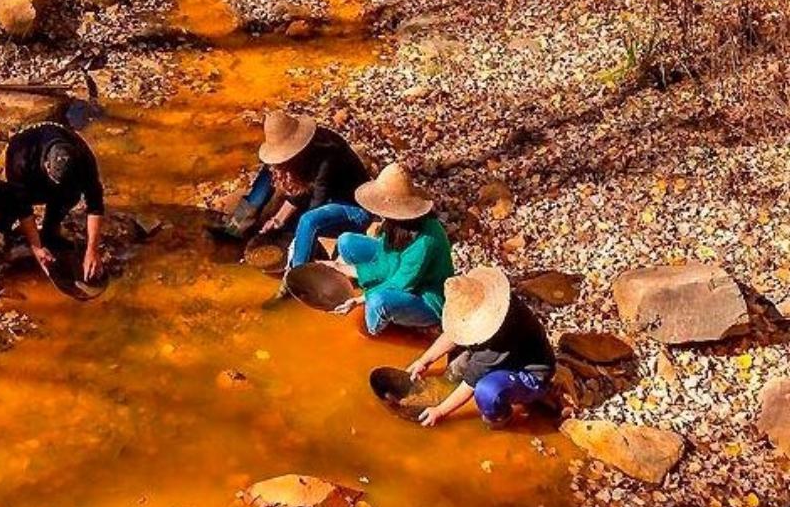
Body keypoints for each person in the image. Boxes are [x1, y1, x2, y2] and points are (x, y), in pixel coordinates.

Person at [405, 267, 557, 428]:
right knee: (453, 371)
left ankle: (504, 416)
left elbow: (470, 384)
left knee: (487, 392)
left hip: (530, 373)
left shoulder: (499, 337)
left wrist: (440, 411)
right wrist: (424, 360)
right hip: (509, 354)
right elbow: (454, 333)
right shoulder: (495, 300)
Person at [213, 111, 370, 257]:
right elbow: (273, 191)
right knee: (263, 183)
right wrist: (276, 219)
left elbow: (315, 205)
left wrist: (284, 223)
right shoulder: (293, 160)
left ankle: (300, 263)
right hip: (317, 190)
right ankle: (234, 228)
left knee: (299, 226)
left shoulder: (327, 157)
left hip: (345, 200)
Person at [330, 164, 454, 336]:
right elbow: (385, 263)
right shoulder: (395, 226)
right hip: (399, 271)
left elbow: (401, 283)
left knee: (377, 301)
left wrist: (359, 300)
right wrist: (342, 268)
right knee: (346, 241)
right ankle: (378, 302)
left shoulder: (425, 241)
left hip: (423, 296)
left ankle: (372, 331)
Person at [0, 122, 105, 281]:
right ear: (47, 164)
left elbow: (95, 204)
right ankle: (6, 234)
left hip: (52, 179)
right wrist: (36, 248)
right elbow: (23, 207)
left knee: (71, 192)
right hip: (18, 178)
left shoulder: (82, 157)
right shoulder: (21, 154)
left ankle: (50, 231)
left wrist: (92, 250)